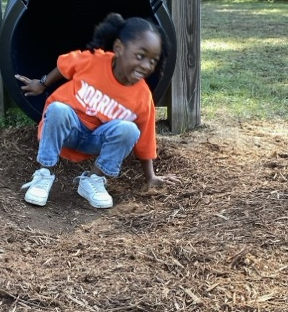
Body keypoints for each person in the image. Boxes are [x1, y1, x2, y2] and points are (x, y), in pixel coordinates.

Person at [16, 12, 175, 209]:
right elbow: (65, 65)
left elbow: (145, 139)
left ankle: (93, 180)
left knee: (130, 130)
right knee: (57, 109)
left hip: (96, 140)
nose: (145, 65)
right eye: (140, 56)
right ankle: (44, 174)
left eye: (153, 60)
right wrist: (41, 83)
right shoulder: (93, 60)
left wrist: (150, 177)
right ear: (119, 48)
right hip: (69, 128)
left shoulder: (142, 96)